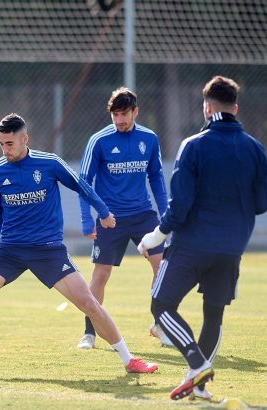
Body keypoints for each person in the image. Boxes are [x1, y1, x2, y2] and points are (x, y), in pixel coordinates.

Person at [0, 113, 158, 375]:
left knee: (89, 303)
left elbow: (82, 186)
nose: (4, 150)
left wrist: (103, 212)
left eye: (9, 144)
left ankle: (130, 361)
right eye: (1, 144)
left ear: (25, 139)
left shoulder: (49, 164)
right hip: (8, 251)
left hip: (47, 250)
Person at [138, 76, 267, 401]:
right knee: (214, 314)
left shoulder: (194, 145)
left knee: (161, 306)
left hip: (190, 246)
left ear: (207, 107)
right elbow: (264, 203)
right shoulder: (255, 148)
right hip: (231, 248)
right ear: (235, 108)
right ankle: (198, 385)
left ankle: (197, 366)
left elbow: (180, 204)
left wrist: (156, 236)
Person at [76, 87, 172, 350]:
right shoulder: (99, 141)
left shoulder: (149, 139)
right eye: (115, 115)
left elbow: (156, 178)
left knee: (161, 265)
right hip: (110, 218)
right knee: (101, 274)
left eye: (124, 114)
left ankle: (160, 324)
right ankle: (89, 332)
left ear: (135, 112)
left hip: (143, 215)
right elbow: (84, 182)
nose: (119, 120)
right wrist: (87, 220)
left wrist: (166, 217)